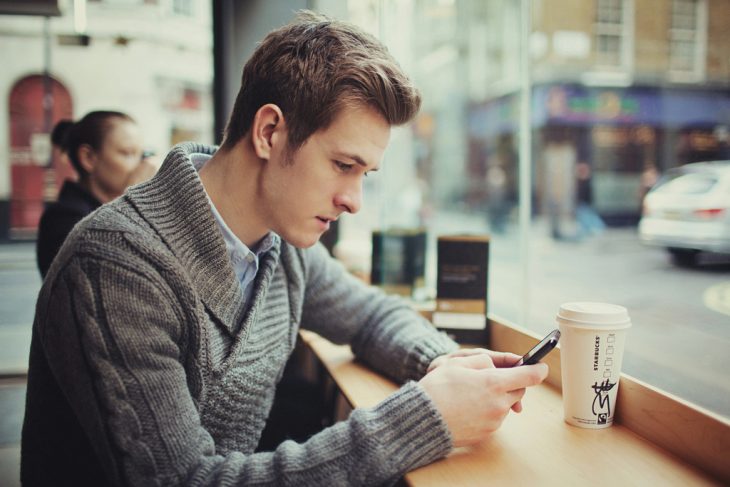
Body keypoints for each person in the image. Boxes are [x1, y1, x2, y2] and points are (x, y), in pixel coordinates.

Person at [22, 11, 548, 486]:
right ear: (270, 132)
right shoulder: (114, 266)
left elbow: (369, 315)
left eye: (366, 174)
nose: (354, 201)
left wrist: (452, 367)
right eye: (344, 166)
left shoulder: (281, 241)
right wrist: (422, 419)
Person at [36, 111, 157, 277]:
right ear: (88, 158)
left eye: (142, 154)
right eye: (127, 153)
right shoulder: (63, 217)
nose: (141, 165)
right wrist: (135, 197)